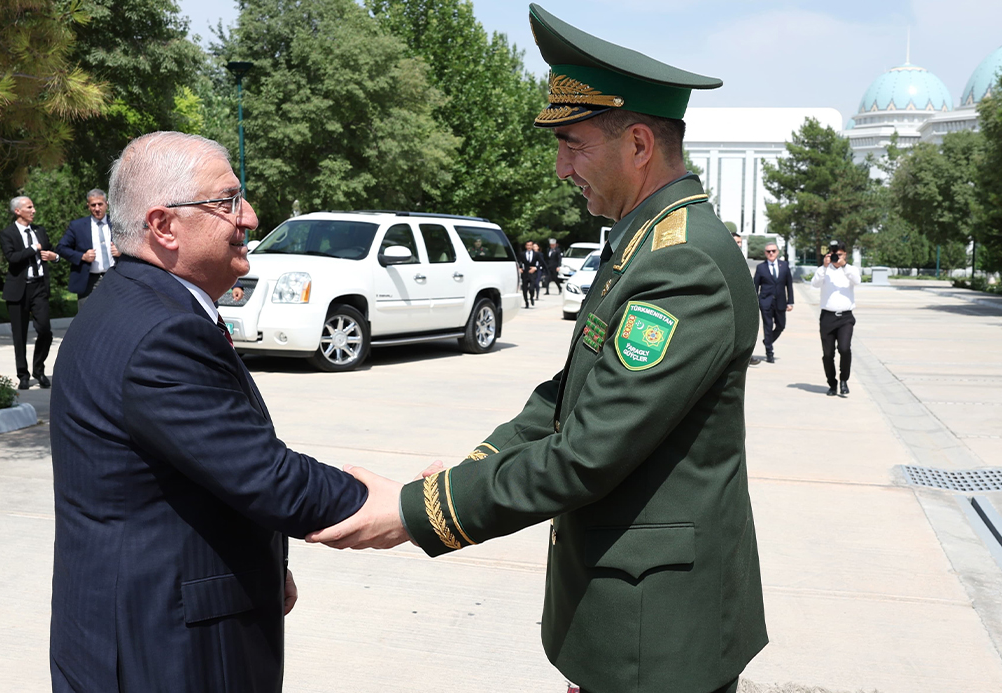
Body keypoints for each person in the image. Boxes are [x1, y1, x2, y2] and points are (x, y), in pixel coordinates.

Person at [308, 6, 768, 693]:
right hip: (629, 618)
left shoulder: (682, 264)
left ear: (639, 145)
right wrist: (459, 476)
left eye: (574, 144)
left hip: (657, 634)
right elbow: (565, 398)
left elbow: (587, 451)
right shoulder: (644, 243)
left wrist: (417, 512)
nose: (560, 168)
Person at [48, 131, 368, 693]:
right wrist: (415, 506)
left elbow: (203, 472)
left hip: (140, 625)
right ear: (164, 226)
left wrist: (269, 563)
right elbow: (266, 477)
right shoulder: (161, 332)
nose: (247, 216)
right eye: (226, 202)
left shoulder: (131, 304)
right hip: (171, 649)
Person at [0, 196, 58, 390]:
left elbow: (49, 250)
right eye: (29, 207)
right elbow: (12, 257)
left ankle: (39, 369)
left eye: (33, 206)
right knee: (20, 335)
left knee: (45, 330)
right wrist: (33, 248)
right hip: (18, 289)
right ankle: (23, 374)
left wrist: (54, 256)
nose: (33, 210)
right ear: (18, 211)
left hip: (39, 287)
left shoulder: (39, 230)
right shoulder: (7, 233)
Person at [57, 189, 121, 310]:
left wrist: (121, 252)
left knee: (115, 315)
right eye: (93, 205)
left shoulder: (117, 224)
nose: (97, 208)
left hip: (115, 277)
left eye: (100, 204)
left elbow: (135, 246)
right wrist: (82, 256)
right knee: (87, 319)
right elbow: (61, 248)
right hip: (89, 281)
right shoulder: (78, 226)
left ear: (106, 204)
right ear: (88, 206)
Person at [812, 241, 858, 396]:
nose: (837, 257)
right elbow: (815, 284)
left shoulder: (850, 269)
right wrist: (824, 267)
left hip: (845, 317)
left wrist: (844, 265)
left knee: (844, 349)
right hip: (827, 317)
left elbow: (857, 281)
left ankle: (844, 379)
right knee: (828, 354)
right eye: (834, 254)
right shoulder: (824, 270)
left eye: (840, 254)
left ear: (845, 254)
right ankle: (832, 383)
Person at [752, 242, 793, 363]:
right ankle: (769, 352)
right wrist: (755, 302)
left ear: (777, 252)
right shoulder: (761, 268)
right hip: (766, 302)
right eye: (768, 251)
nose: (771, 253)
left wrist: (790, 302)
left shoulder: (784, 266)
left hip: (780, 302)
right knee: (768, 327)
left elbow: (789, 285)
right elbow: (755, 286)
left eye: (773, 251)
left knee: (781, 326)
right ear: (765, 253)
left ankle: (767, 341)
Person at [518, 240, 544, 308]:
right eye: (527, 245)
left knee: (532, 288)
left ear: (532, 246)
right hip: (525, 272)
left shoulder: (536, 254)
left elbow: (541, 262)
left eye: (530, 245)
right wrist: (520, 268)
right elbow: (519, 261)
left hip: (533, 273)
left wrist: (536, 268)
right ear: (526, 246)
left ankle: (532, 297)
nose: (529, 247)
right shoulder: (522, 254)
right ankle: (526, 302)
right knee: (524, 289)